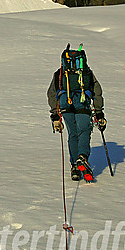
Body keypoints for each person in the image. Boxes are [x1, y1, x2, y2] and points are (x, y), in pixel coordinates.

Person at [47, 44, 106, 181]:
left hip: (65, 104)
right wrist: (99, 113)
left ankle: (75, 166)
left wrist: (55, 115)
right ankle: (82, 158)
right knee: (84, 131)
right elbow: (97, 91)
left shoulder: (60, 73)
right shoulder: (87, 73)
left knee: (73, 134)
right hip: (82, 102)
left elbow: (51, 93)